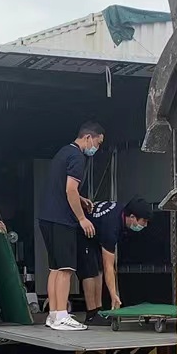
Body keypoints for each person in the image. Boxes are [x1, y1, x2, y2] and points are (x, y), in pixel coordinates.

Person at [37, 121, 104, 331]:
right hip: (62, 219)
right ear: (88, 138)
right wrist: (82, 218)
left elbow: (61, 187)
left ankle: (53, 315)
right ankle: (62, 316)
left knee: (55, 269)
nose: (97, 148)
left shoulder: (62, 153)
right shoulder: (77, 157)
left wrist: (81, 199)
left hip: (47, 217)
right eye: (98, 143)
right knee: (66, 269)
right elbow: (70, 190)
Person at [80, 197, 152, 321]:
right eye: (144, 221)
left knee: (98, 269)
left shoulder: (122, 211)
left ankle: (98, 310)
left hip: (95, 232)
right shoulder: (112, 226)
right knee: (90, 270)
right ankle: (91, 314)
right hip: (81, 231)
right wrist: (114, 295)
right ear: (132, 217)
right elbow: (109, 266)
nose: (145, 225)